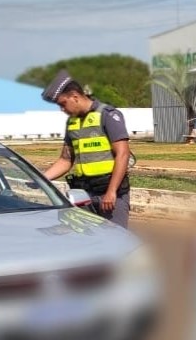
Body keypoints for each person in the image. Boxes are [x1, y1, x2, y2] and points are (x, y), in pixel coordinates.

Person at [41, 70, 133, 228]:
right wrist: (41, 179)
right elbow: (65, 160)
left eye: (63, 104)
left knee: (113, 236)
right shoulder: (72, 123)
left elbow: (123, 154)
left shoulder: (108, 115)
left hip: (110, 194)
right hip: (84, 195)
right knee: (87, 237)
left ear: (75, 97)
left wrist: (111, 192)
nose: (62, 109)